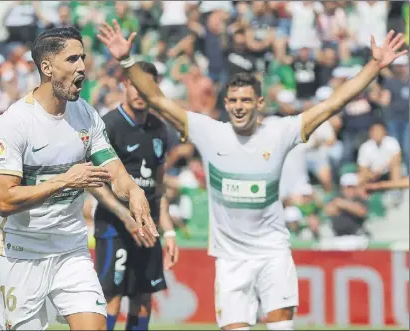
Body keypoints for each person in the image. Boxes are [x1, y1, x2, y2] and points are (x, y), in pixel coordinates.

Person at [97, 20, 407, 331]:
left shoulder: (281, 131)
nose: (239, 107)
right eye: (233, 101)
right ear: (226, 104)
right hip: (230, 260)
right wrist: (126, 60)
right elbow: (157, 99)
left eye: (246, 100)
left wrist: (375, 65)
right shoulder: (209, 132)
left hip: (273, 252)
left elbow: (334, 103)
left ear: (259, 103)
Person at [0, 26, 158, 331]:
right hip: (22, 253)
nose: (82, 67)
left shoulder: (86, 115)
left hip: (71, 250)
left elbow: (113, 170)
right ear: (47, 68)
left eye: (83, 58)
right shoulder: (15, 122)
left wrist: (133, 191)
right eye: (72, 59)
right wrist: (64, 181)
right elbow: (4, 199)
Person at [91, 61, 179, 331]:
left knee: (143, 298)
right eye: (136, 86)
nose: (141, 92)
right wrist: (125, 217)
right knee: (111, 298)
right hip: (114, 226)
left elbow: (158, 186)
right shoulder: (109, 124)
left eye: (148, 87)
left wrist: (169, 231)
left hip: (148, 227)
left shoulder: (159, 129)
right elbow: (94, 183)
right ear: (125, 86)